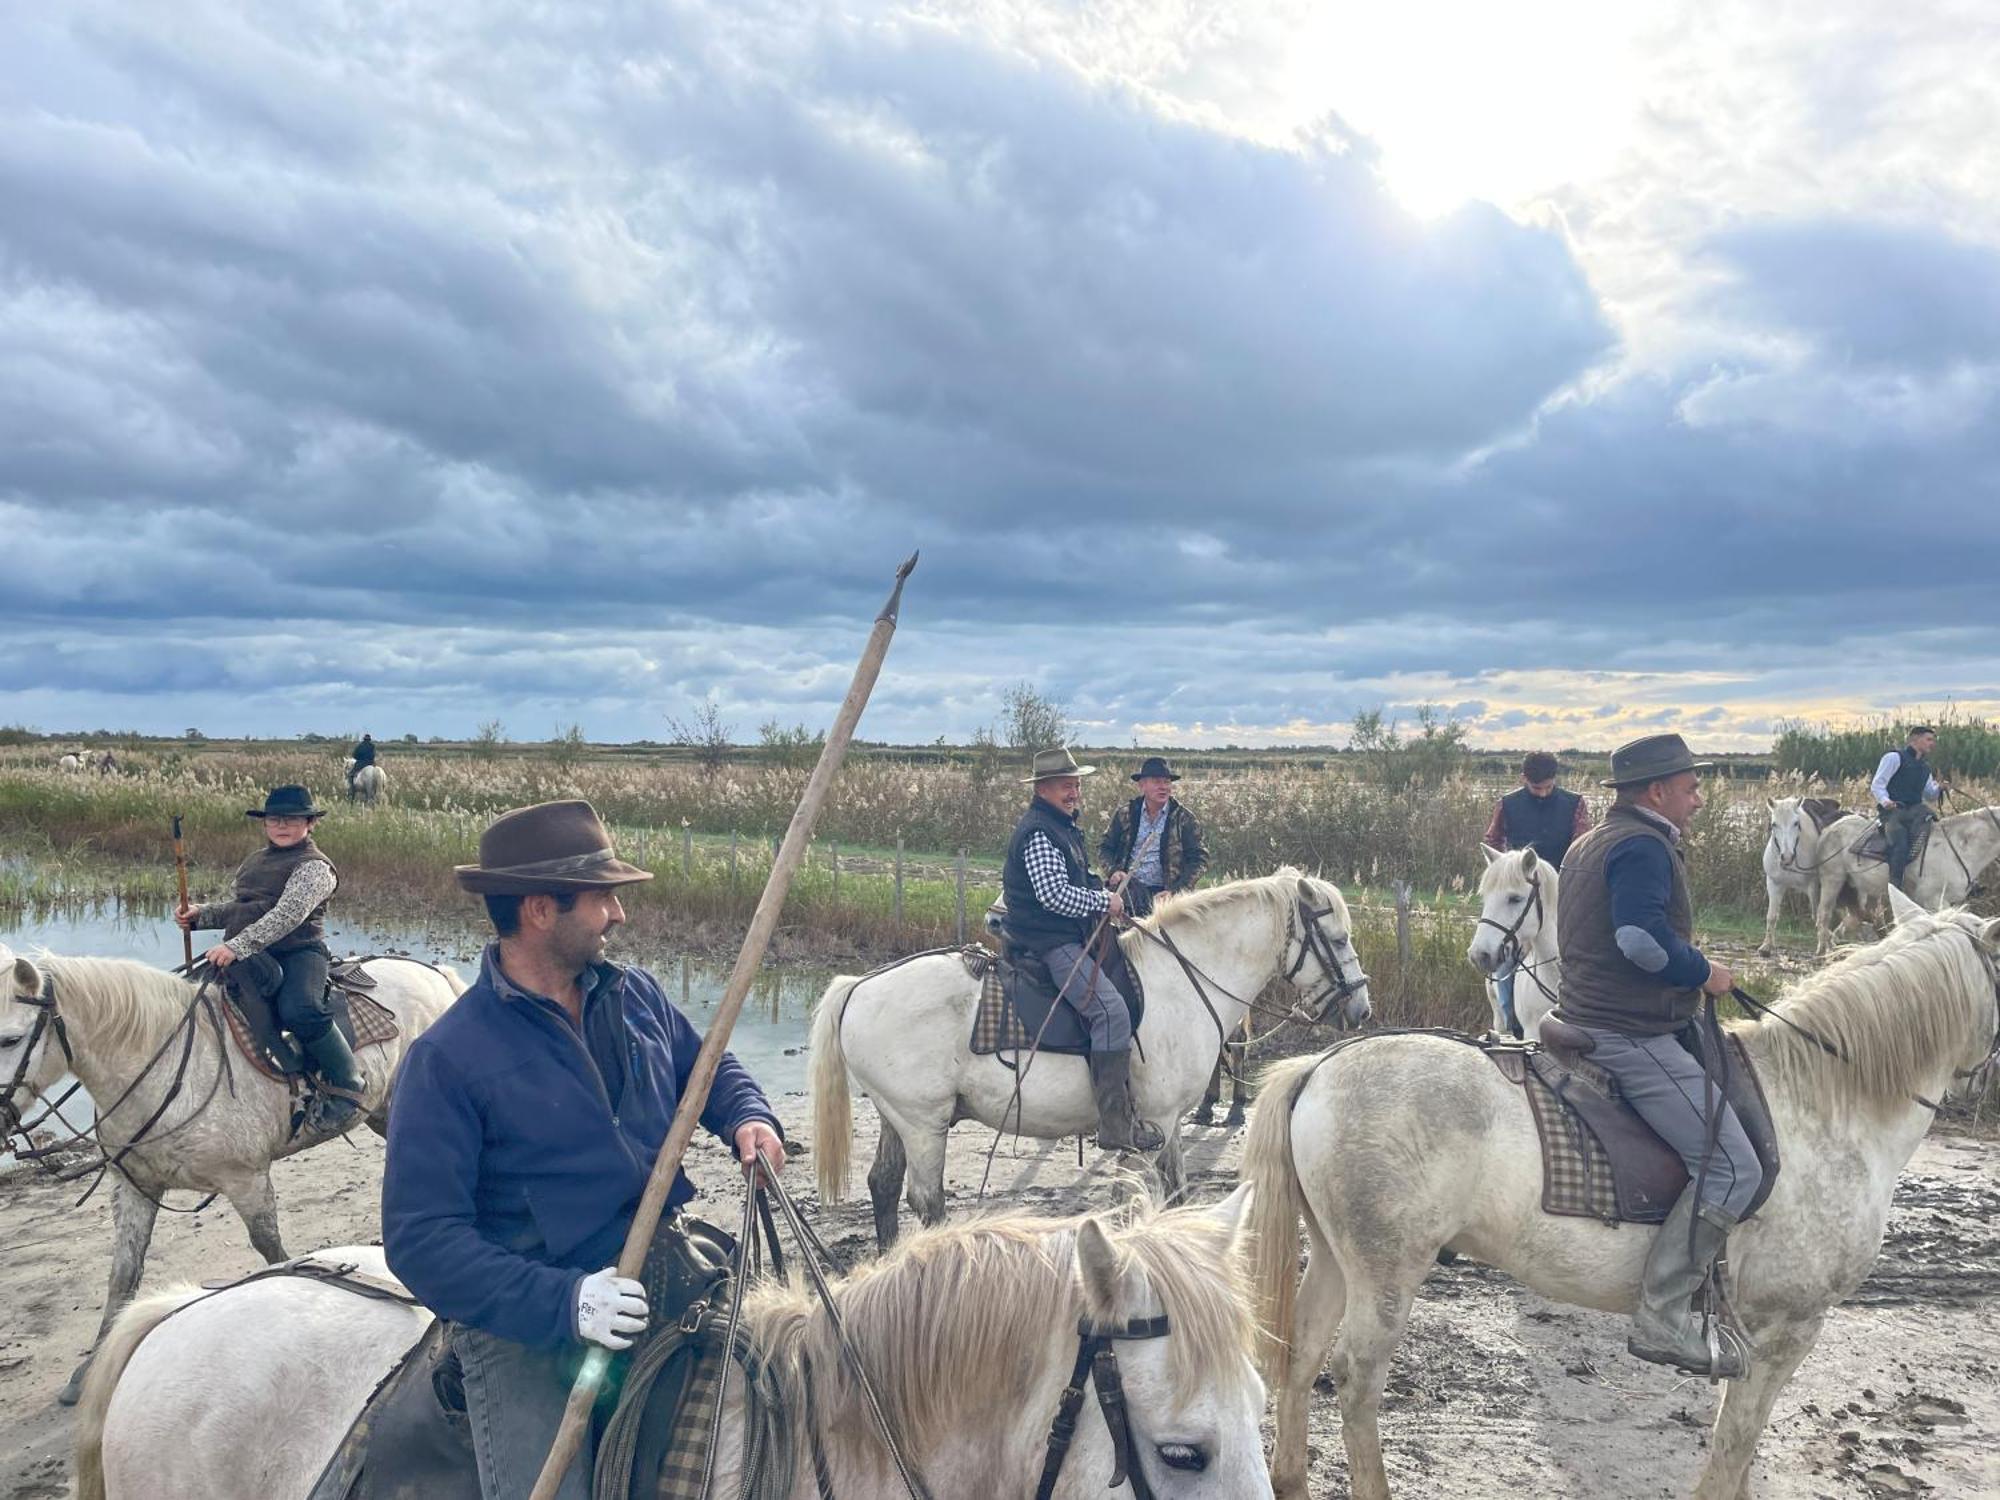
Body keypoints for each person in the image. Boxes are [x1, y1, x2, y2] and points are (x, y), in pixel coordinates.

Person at [381, 800, 784, 1500]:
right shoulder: (448, 1058)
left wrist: (748, 1118)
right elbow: (421, 1241)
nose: (619, 916)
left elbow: (708, 1069)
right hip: (528, 1324)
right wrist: (565, 1302)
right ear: (540, 909)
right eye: (603, 900)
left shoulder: (638, 998)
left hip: (666, 1264)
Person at [1554, 733, 1759, 1379]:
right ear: (1657, 791)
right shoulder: (1643, 846)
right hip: (1628, 1031)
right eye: (1691, 788)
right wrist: (1704, 972)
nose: (1698, 800)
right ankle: (1664, 1314)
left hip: (1586, 1014)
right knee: (1734, 1168)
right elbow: (1641, 941)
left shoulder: (1592, 840)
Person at [999, 746, 1163, 1153]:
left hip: (1062, 933)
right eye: (1065, 786)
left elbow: (1074, 878)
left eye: (1075, 785)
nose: (1074, 793)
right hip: (1049, 940)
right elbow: (1053, 895)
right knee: (1111, 1012)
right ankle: (1114, 1126)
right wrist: (1102, 903)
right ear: (1043, 789)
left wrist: (1103, 886)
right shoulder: (1039, 831)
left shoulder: (1062, 826)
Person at [176, 785, 367, 1132]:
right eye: (275, 819)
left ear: (310, 824)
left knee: (301, 1009)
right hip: (250, 952)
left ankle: (348, 1083)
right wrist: (201, 916)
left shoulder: (315, 868)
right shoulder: (255, 861)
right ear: (265, 824)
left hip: (299, 950)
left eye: (292, 820)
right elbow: (245, 909)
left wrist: (237, 946)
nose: (282, 826)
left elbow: (285, 916)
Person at [1481, 750, 1592, 1033]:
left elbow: (1584, 847)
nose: (1542, 794)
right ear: (1523, 779)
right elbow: (1493, 840)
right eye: (1535, 788)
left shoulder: (1575, 804)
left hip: (1564, 894)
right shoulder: (1507, 804)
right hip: (1522, 893)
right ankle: (1511, 1023)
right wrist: (1509, 872)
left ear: (1555, 779)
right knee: (1504, 965)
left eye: (1547, 787)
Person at [1099, 755, 1208, 918]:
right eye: (1157, 782)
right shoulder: (1125, 814)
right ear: (1142, 785)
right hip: (1128, 890)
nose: (1163, 787)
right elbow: (1104, 848)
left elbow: (1199, 859)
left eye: (1167, 782)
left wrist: (1176, 892)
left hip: (1164, 894)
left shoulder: (1184, 818)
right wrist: (1114, 871)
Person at [1870, 725, 1946, 889]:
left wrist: (1939, 788)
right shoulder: (1894, 758)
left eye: (1933, 740)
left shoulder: (1924, 768)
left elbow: (1929, 795)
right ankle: (1895, 886)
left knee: (1939, 834)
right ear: (1915, 740)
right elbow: (1877, 785)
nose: (1932, 744)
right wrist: (1886, 801)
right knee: (1900, 843)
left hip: (1916, 812)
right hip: (1893, 813)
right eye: (1928, 739)